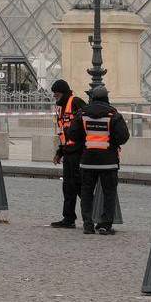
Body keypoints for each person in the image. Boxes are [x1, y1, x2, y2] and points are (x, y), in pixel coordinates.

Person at [65, 86, 130, 236]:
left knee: (86, 193)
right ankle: (105, 225)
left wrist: (85, 141)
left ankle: (88, 224)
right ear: (106, 98)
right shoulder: (113, 114)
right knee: (109, 194)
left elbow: (73, 135)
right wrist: (112, 142)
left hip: (88, 160)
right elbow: (124, 136)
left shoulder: (82, 113)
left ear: (92, 97)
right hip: (109, 161)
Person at [48, 79, 85, 228]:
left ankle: (92, 216)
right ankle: (68, 218)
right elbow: (62, 133)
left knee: (80, 186)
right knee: (68, 187)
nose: (55, 98)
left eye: (57, 95)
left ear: (63, 93)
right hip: (68, 152)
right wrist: (60, 152)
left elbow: (85, 126)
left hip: (78, 152)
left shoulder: (76, 102)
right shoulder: (60, 109)